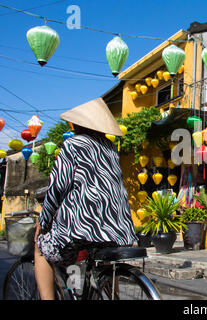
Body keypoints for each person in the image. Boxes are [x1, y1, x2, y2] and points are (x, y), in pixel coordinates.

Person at [34, 98, 138, 300]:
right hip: (117, 230)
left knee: (41, 249)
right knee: (104, 264)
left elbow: (58, 187)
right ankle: (110, 295)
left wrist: (43, 222)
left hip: (81, 228)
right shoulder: (110, 149)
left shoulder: (72, 144)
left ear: (78, 124)